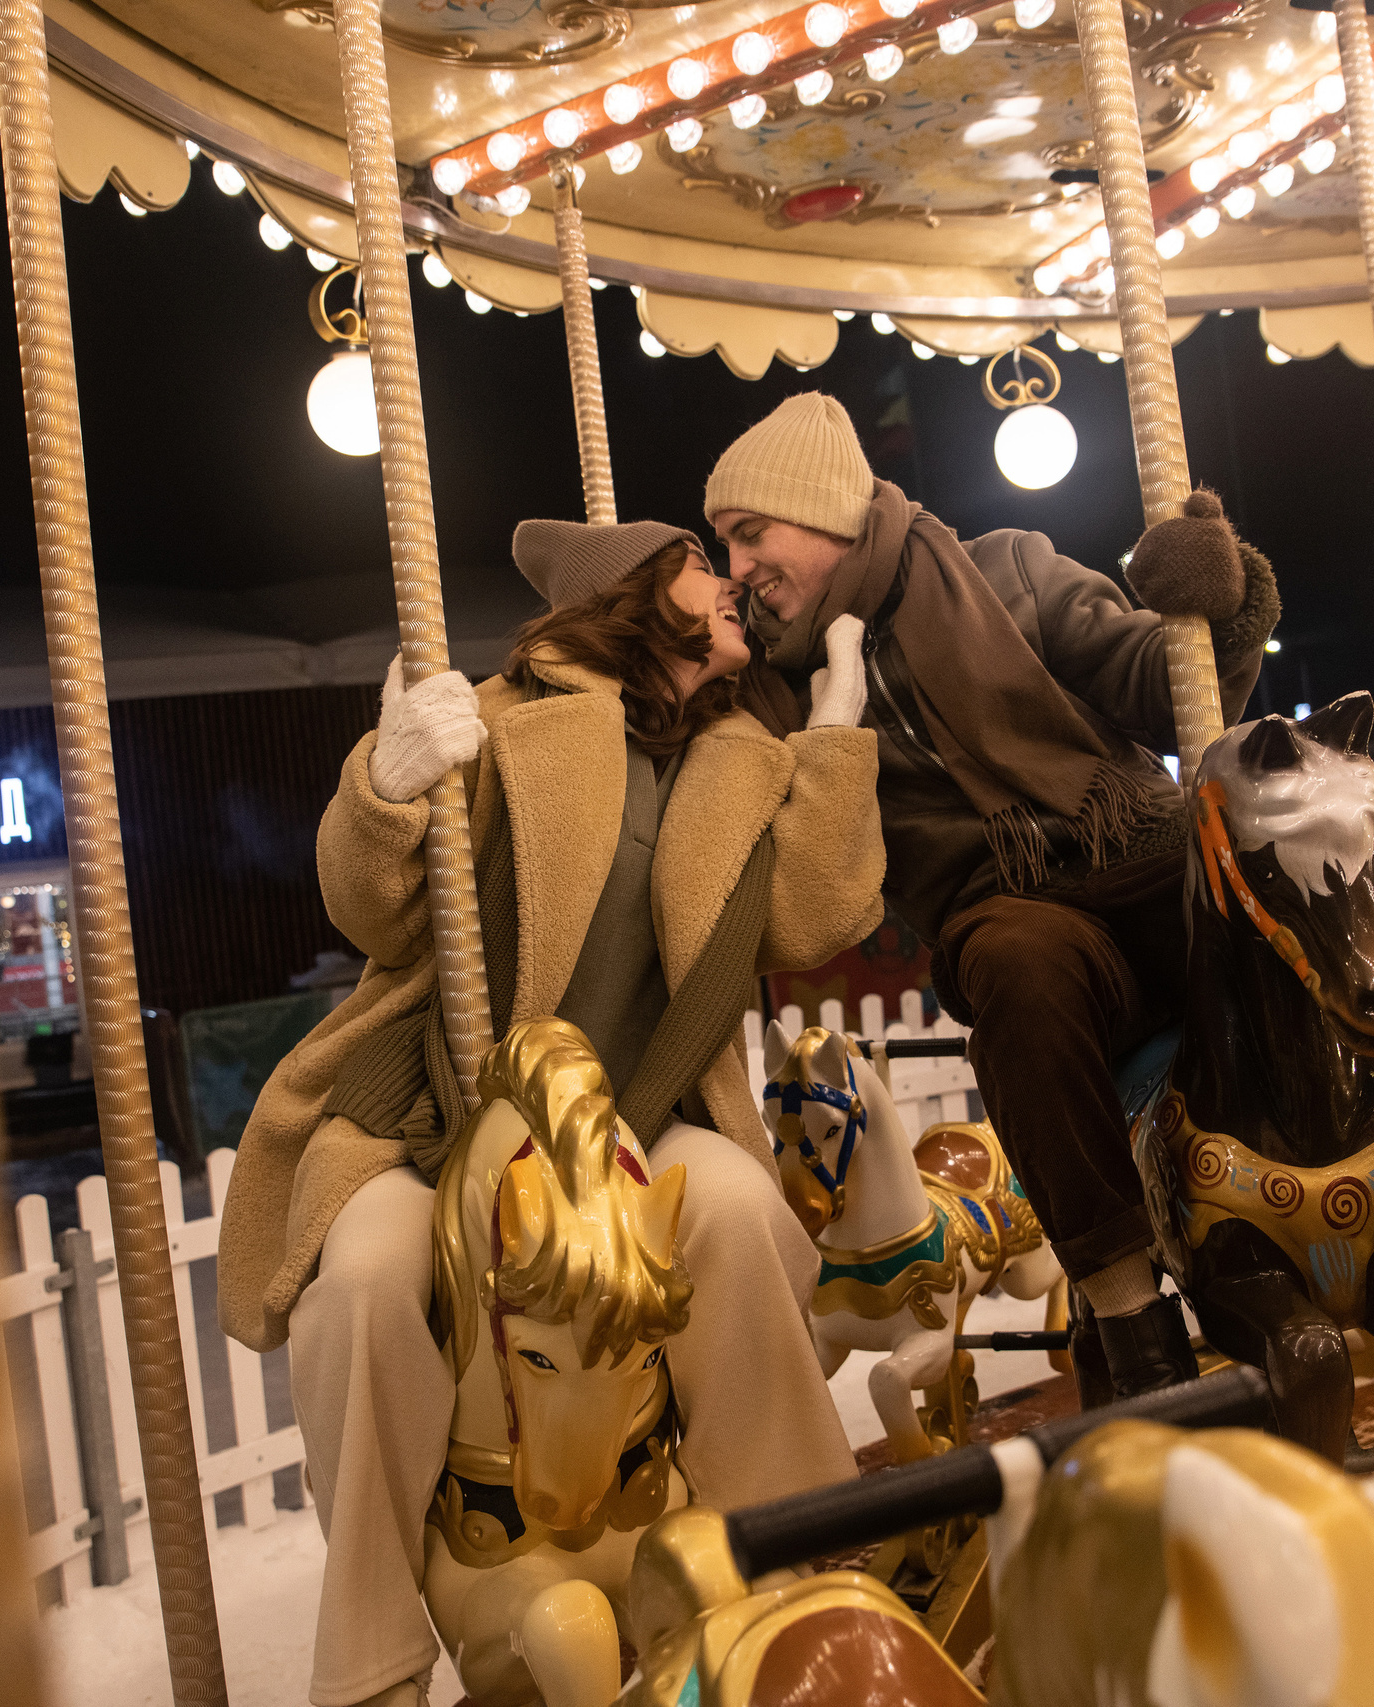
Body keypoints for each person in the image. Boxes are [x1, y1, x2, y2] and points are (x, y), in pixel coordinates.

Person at [705, 394, 1374, 1476]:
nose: (737, 563)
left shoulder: (1005, 569)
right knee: (1011, 963)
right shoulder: (772, 685)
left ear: (825, 513)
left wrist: (1213, 603)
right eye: (725, 542)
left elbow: (1157, 683)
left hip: (1154, 867)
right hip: (1021, 913)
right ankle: (1134, 1332)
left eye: (749, 531)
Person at [215, 518, 884, 1707]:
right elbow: (373, 910)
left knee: (738, 1216)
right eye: (699, 565)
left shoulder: (740, 754)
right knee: (364, 1287)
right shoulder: (492, 720)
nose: (729, 584)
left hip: (638, 1107)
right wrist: (384, 784)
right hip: (438, 1107)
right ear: (633, 596)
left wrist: (833, 741)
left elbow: (814, 923)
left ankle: (799, 1556)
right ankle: (370, 1654)